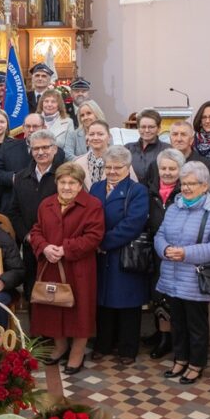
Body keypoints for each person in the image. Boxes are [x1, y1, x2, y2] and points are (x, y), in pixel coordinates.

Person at [155, 161, 210, 385]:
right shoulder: (174, 207)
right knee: (177, 322)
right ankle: (180, 359)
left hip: (195, 278)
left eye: (191, 184)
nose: (186, 188)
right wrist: (165, 249)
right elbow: (160, 234)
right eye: (183, 183)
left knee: (196, 325)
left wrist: (186, 253)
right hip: (172, 275)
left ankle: (196, 364)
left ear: (205, 186)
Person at [29, 162, 105, 375]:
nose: (67, 187)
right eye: (62, 182)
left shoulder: (92, 205)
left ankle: (77, 353)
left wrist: (65, 249)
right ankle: (60, 346)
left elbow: (94, 236)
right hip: (51, 265)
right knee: (53, 307)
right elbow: (36, 230)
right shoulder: (46, 204)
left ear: (80, 185)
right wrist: (44, 247)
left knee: (81, 310)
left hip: (79, 268)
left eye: (72, 183)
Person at [90, 146, 149, 366]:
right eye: (109, 167)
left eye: (118, 167)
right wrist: (93, 241)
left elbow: (133, 224)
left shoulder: (137, 190)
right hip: (99, 256)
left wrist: (103, 243)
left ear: (128, 167)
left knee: (127, 303)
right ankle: (103, 344)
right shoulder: (96, 187)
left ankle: (127, 348)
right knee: (103, 301)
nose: (112, 171)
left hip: (124, 254)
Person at [7, 130, 64, 298]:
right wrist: (26, 236)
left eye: (45, 147)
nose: (40, 152)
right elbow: (14, 211)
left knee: (57, 296)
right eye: (36, 148)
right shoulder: (21, 177)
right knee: (33, 292)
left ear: (55, 149)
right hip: (31, 246)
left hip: (57, 247)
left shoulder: (64, 176)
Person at [143, 148, 186, 359]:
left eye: (172, 168)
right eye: (163, 168)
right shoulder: (149, 190)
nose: (167, 172)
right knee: (157, 294)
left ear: (180, 170)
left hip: (177, 252)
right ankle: (162, 334)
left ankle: (173, 337)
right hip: (153, 250)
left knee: (173, 296)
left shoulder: (184, 192)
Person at [75, 120, 139, 190]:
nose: (95, 138)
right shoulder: (78, 163)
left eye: (100, 134)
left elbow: (134, 187)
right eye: (91, 134)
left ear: (109, 137)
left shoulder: (122, 160)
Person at [166, 120, 210, 191]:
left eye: (183, 134)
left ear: (191, 140)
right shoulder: (159, 165)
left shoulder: (207, 166)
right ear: (170, 139)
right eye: (175, 134)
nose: (179, 139)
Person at [126, 109, 170, 182]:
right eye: (143, 127)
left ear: (159, 128)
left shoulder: (167, 150)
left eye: (151, 127)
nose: (146, 130)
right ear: (138, 128)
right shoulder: (127, 149)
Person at [38, 89, 76, 160]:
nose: (49, 104)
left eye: (53, 102)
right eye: (46, 101)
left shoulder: (68, 122)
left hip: (60, 162)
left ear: (59, 105)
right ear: (41, 104)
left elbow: (68, 151)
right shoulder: (35, 120)